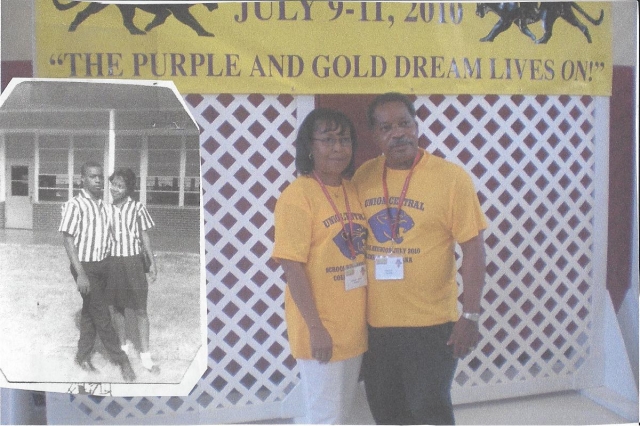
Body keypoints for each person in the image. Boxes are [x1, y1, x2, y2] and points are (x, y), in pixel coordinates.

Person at [352, 93, 487, 425]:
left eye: (404, 123)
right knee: (387, 412)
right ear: (375, 136)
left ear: (416, 125)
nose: (398, 134)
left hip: (431, 326)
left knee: (429, 412)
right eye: (386, 128)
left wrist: (470, 314)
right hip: (376, 327)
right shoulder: (363, 178)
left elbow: (474, 249)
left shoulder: (451, 178)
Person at [272, 108, 368, 424]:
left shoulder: (353, 189)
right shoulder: (297, 196)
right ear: (309, 148)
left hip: (353, 327)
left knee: (340, 413)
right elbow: (292, 266)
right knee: (324, 416)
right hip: (321, 328)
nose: (338, 148)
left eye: (343, 140)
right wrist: (315, 327)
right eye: (327, 140)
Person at [59, 161, 136, 382]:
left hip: (104, 265)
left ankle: (82, 355)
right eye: (93, 177)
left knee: (90, 311)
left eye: (101, 177)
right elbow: (68, 240)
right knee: (102, 314)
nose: (98, 181)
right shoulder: (76, 205)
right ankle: (122, 361)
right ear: (82, 179)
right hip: (85, 267)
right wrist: (80, 273)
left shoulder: (103, 205)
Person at [106, 168, 160, 374]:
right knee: (117, 308)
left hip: (134, 263)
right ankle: (123, 349)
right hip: (113, 263)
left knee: (140, 309)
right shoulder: (105, 209)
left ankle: (145, 355)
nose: (115, 189)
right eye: (113, 184)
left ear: (128, 189)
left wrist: (152, 262)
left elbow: (144, 236)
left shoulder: (137, 208)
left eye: (120, 186)